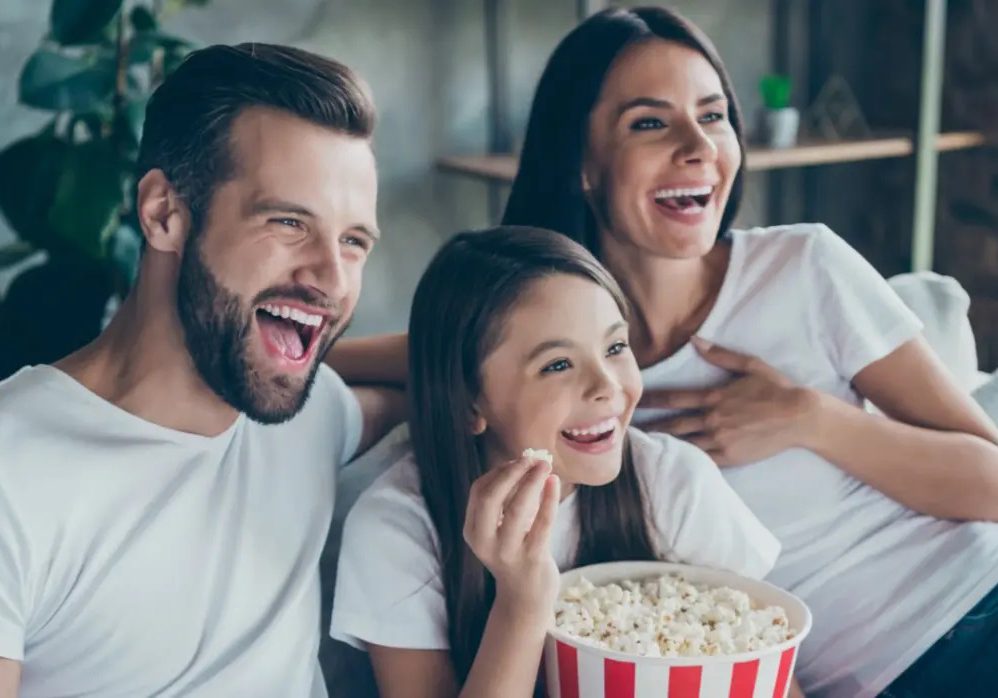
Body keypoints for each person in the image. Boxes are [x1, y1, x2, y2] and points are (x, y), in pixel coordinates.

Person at [329, 7, 998, 697]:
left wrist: (812, 419)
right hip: (853, 674)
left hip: (976, 599)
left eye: (714, 116)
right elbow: (438, 356)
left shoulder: (805, 266)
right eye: (650, 122)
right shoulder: (555, 341)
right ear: (580, 162)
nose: (699, 146)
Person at [0, 43, 404, 697]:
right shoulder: (15, 470)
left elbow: (452, 364)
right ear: (164, 214)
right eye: (288, 222)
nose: (333, 278)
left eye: (354, 241)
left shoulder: (307, 412)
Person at [330, 226, 782, 698]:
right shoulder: (396, 528)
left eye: (614, 348)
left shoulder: (671, 481)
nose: (606, 385)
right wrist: (522, 601)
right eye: (557, 365)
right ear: (469, 404)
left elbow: (770, 671)